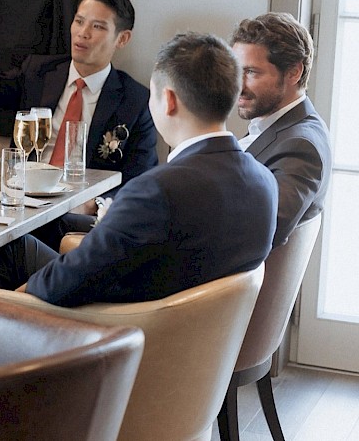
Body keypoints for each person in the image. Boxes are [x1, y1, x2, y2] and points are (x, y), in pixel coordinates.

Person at [25, 33, 277, 306]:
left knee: (8, 257)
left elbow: (58, 286)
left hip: (116, 329)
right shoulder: (265, 181)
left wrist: (4, 301)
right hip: (194, 330)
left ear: (168, 100)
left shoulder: (156, 190)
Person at [0, 0, 157, 236]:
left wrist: (94, 203)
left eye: (98, 27)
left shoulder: (135, 100)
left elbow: (140, 178)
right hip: (21, 201)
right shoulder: (40, 72)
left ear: (122, 38)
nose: (83, 33)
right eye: (79, 21)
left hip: (77, 214)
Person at [231, 13, 331, 247]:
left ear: (294, 73)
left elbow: (262, 232)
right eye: (236, 71)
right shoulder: (275, 127)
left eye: (251, 72)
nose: (238, 85)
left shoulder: (301, 145)